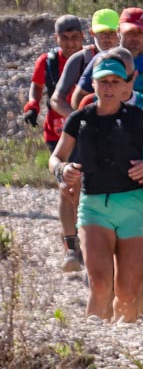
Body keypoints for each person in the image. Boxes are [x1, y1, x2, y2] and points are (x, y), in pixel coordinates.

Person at [49, 49, 143, 322]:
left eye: (115, 82)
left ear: (125, 86)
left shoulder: (139, 118)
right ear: (93, 84)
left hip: (134, 205)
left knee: (127, 292)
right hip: (94, 205)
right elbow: (56, 157)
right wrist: (62, 170)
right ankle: (93, 341)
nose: (108, 88)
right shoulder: (79, 119)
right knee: (99, 284)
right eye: (103, 81)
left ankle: (121, 342)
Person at [24, 15, 85, 271]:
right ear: (56, 38)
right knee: (67, 186)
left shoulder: (90, 59)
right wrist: (32, 105)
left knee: (84, 188)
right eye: (65, 38)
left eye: (75, 38)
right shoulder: (47, 61)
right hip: (57, 134)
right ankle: (71, 246)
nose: (70, 43)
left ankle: (87, 238)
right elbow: (37, 86)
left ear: (83, 37)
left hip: (87, 133)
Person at [51, 8, 118, 122]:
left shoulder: (128, 59)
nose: (107, 38)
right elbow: (56, 99)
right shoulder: (80, 59)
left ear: (119, 32)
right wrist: (77, 119)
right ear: (92, 33)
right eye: (102, 33)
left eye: (111, 33)